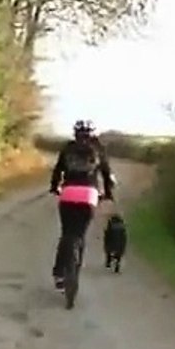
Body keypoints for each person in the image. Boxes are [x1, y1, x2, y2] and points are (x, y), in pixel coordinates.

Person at [49, 120, 115, 289]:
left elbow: (57, 171)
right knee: (80, 234)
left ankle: (59, 273)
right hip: (89, 196)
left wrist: (55, 187)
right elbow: (107, 175)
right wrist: (108, 194)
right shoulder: (98, 149)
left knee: (67, 233)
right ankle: (75, 270)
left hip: (68, 193)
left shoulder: (68, 148)